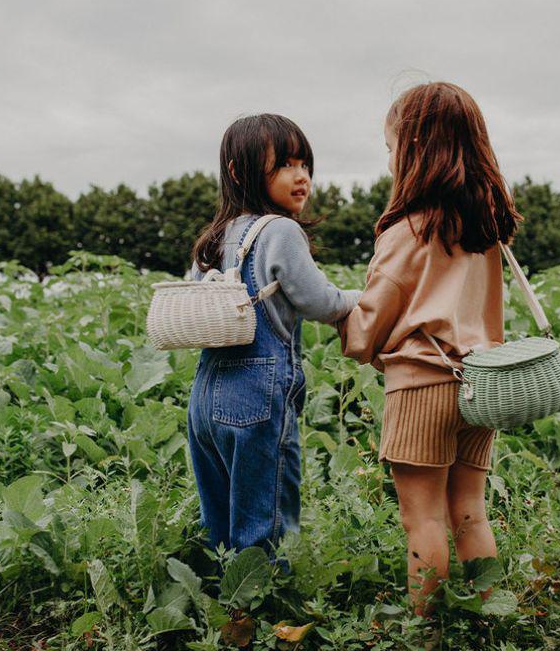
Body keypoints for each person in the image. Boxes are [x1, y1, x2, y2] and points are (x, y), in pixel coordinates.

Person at [338, 82, 522, 615]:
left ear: (416, 151)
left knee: (421, 518)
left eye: (392, 146)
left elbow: (370, 323)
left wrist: (343, 324)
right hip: (481, 387)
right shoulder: (486, 228)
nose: (390, 158)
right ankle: (491, 616)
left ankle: (423, 634)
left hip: (423, 385)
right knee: (470, 511)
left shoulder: (409, 230)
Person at [188, 114, 361, 563]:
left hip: (206, 393)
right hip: (257, 392)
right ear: (238, 171)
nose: (301, 175)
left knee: (220, 520)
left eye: (304, 163)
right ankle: (261, 611)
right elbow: (322, 302)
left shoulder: (212, 239)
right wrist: (366, 297)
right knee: (265, 520)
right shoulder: (280, 231)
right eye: (285, 164)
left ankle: (225, 601)